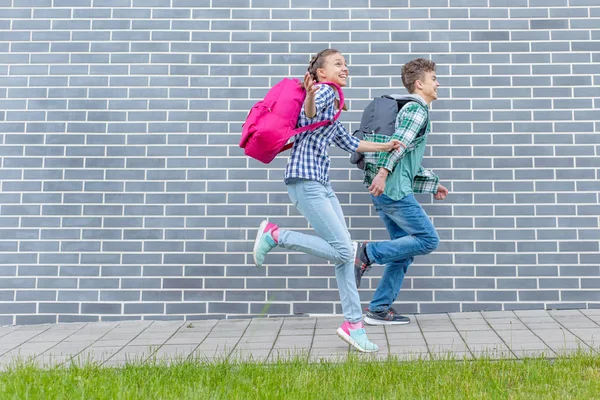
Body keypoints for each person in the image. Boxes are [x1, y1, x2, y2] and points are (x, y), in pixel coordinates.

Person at [252, 48, 401, 353]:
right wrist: (309, 94)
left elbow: (351, 142)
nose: (345, 68)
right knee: (345, 251)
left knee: (344, 255)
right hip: (306, 181)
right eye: (337, 64)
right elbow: (307, 112)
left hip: (320, 184)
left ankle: (354, 326)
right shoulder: (323, 92)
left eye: (346, 64)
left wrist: (386, 144)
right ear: (320, 73)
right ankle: (276, 235)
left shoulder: (333, 103)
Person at [354, 58, 449, 326]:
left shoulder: (411, 110)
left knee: (403, 251)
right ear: (420, 84)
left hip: (386, 190)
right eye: (433, 79)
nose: (438, 83)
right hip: (393, 190)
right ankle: (367, 254)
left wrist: (432, 184)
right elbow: (399, 146)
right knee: (428, 240)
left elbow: (408, 159)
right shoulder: (417, 109)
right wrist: (384, 174)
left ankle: (379, 310)